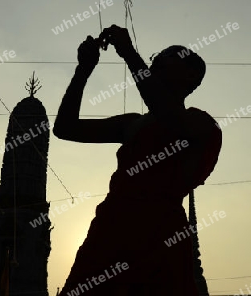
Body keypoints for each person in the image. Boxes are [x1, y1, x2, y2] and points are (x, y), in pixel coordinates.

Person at [54, 25, 222, 296]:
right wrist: (83, 70)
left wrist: (129, 52)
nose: (158, 60)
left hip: (160, 234)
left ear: (192, 76)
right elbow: (65, 128)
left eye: (169, 56)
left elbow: (169, 118)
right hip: (109, 232)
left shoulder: (200, 123)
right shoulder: (132, 123)